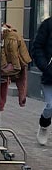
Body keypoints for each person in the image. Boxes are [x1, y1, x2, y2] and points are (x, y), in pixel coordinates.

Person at [32, 16, 52, 145]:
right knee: (50, 105)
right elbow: (37, 47)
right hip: (50, 74)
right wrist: (45, 66)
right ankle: (44, 125)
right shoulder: (48, 24)